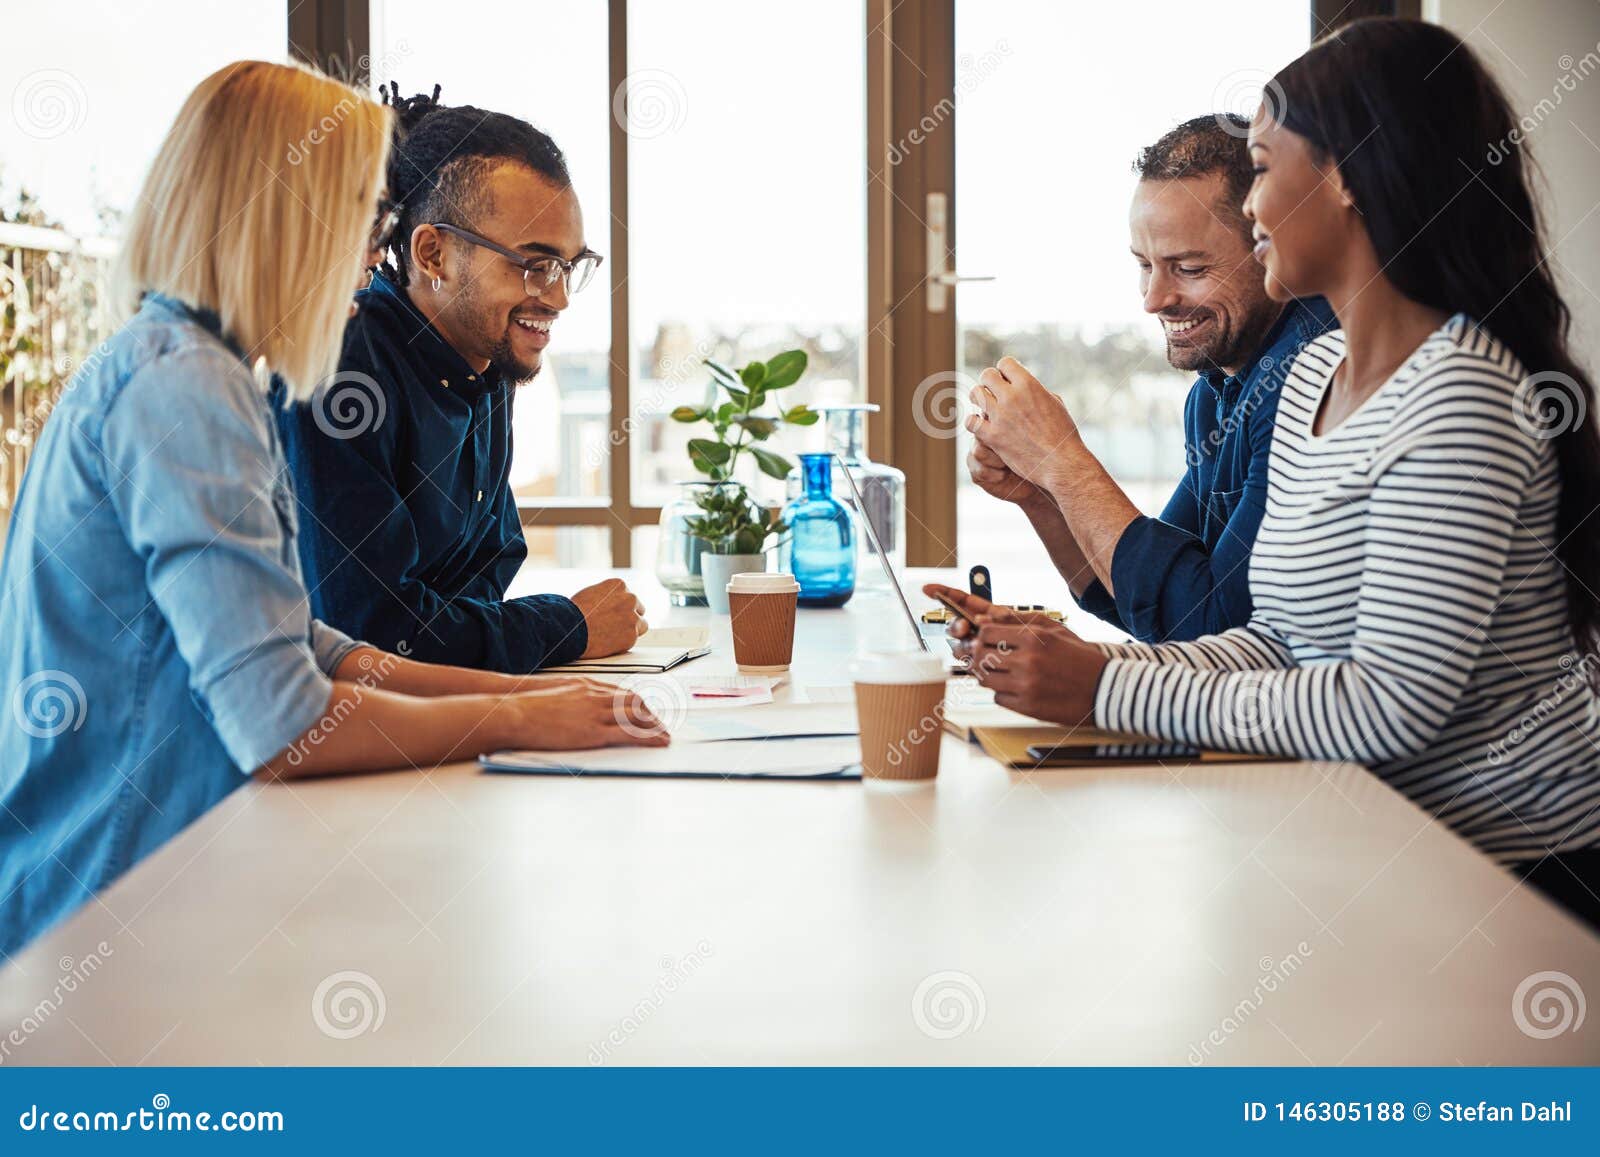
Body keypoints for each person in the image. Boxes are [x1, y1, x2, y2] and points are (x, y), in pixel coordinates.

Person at [930, 18, 1600, 928]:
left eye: (1267, 163)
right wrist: (1089, 666)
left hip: (1513, 875)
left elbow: (1383, 708)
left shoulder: (1460, 396)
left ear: (1349, 183)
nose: (1251, 205)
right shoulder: (1319, 379)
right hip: (1371, 840)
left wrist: (1105, 687)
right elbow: (1275, 636)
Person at [0, 62, 665, 958]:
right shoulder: (184, 385)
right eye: (364, 215)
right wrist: (518, 716)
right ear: (282, 218)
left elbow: (315, 645)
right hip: (108, 909)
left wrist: (524, 691)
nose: (372, 251)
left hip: (166, 877)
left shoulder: (197, 368)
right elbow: (279, 720)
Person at [274, 84, 644, 674]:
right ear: (433, 254)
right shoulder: (343, 366)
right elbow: (371, 632)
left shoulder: (487, 359)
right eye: (533, 264)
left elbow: (486, 575)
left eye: (570, 267)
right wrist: (564, 627)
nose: (558, 297)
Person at [965, 115, 1336, 643]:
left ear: (1271, 247)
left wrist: (1063, 460)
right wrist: (1040, 493)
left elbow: (1212, 630)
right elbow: (1146, 599)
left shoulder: (1310, 377)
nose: (1153, 300)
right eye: (1145, 265)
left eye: (1188, 268)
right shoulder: (1213, 392)